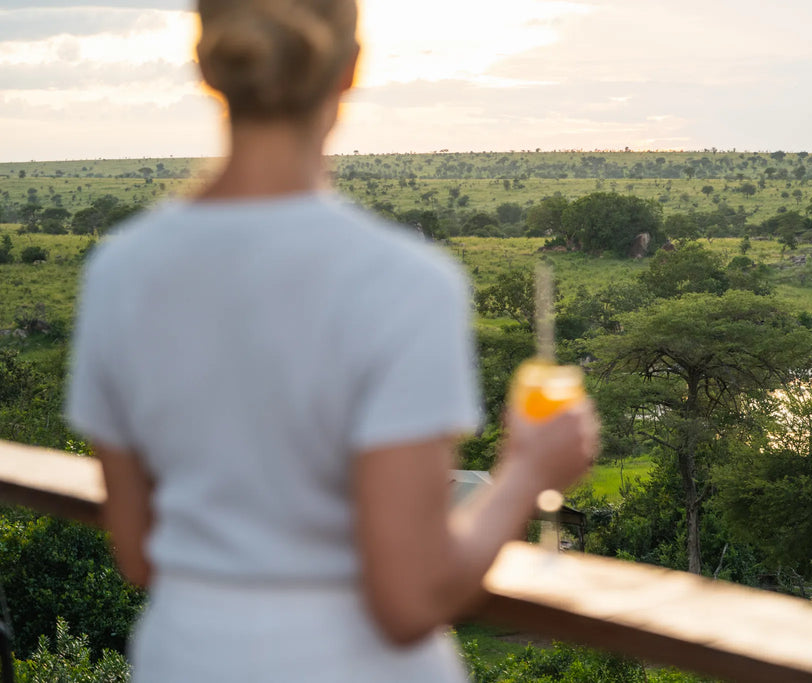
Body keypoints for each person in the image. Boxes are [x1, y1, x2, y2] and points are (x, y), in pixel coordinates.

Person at [65, 0, 599, 681]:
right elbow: (409, 600)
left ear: (207, 63)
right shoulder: (403, 282)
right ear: (351, 68)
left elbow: (138, 554)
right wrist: (527, 470)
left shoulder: (121, 272)